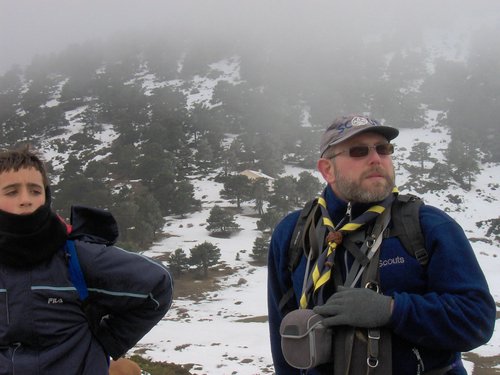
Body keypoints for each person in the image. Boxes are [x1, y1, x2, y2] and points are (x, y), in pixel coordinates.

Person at [267, 115, 496, 374]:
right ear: (327, 169)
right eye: (359, 151)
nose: (376, 158)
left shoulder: (429, 225)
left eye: (383, 149)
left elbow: (477, 319)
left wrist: (392, 310)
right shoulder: (293, 232)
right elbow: (283, 331)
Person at [0, 146, 173, 374]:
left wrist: (106, 341)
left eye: (35, 190)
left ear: (46, 196)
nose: (26, 200)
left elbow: (158, 286)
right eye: (11, 192)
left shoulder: (77, 255)